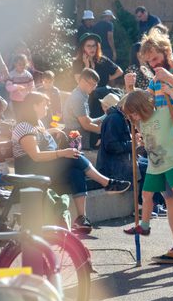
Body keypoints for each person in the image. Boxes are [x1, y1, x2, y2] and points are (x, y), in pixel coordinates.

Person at [124, 28, 173, 271]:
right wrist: (130, 90)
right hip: (164, 148)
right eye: (148, 61)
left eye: (155, 58)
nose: (152, 63)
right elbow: (144, 106)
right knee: (171, 198)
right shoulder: (155, 79)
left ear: (165, 51)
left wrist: (170, 80)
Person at [12, 92, 131, 234]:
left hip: (44, 168)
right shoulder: (24, 127)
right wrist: (62, 153)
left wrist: (51, 131)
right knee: (74, 156)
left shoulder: (35, 124)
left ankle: (82, 218)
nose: (47, 108)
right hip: (31, 171)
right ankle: (107, 183)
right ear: (34, 106)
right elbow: (36, 156)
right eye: (44, 105)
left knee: (76, 171)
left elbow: (36, 137)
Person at [121, 88, 173, 237]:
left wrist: (172, 93)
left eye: (134, 113)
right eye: (131, 115)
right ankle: (144, 226)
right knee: (146, 195)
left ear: (142, 107)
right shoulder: (141, 122)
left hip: (170, 162)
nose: (133, 117)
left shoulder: (164, 113)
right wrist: (129, 88)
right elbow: (129, 108)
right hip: (154, 165)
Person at [63, 68, 104, 150]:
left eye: (95, 85)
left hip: (80, 137)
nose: (94, 88)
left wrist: (105, 117)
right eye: (92, 84)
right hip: (75, 139)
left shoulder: (83, 94)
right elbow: (86, 125)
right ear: (82, 81)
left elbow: (88, 120)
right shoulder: (78, 98)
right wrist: (105, 130)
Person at [95, 93, 133, 183]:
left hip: (117, 166)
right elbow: (111, 146)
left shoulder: (118, 117)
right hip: (113, 170)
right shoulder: (115, 119)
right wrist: (132, 144)